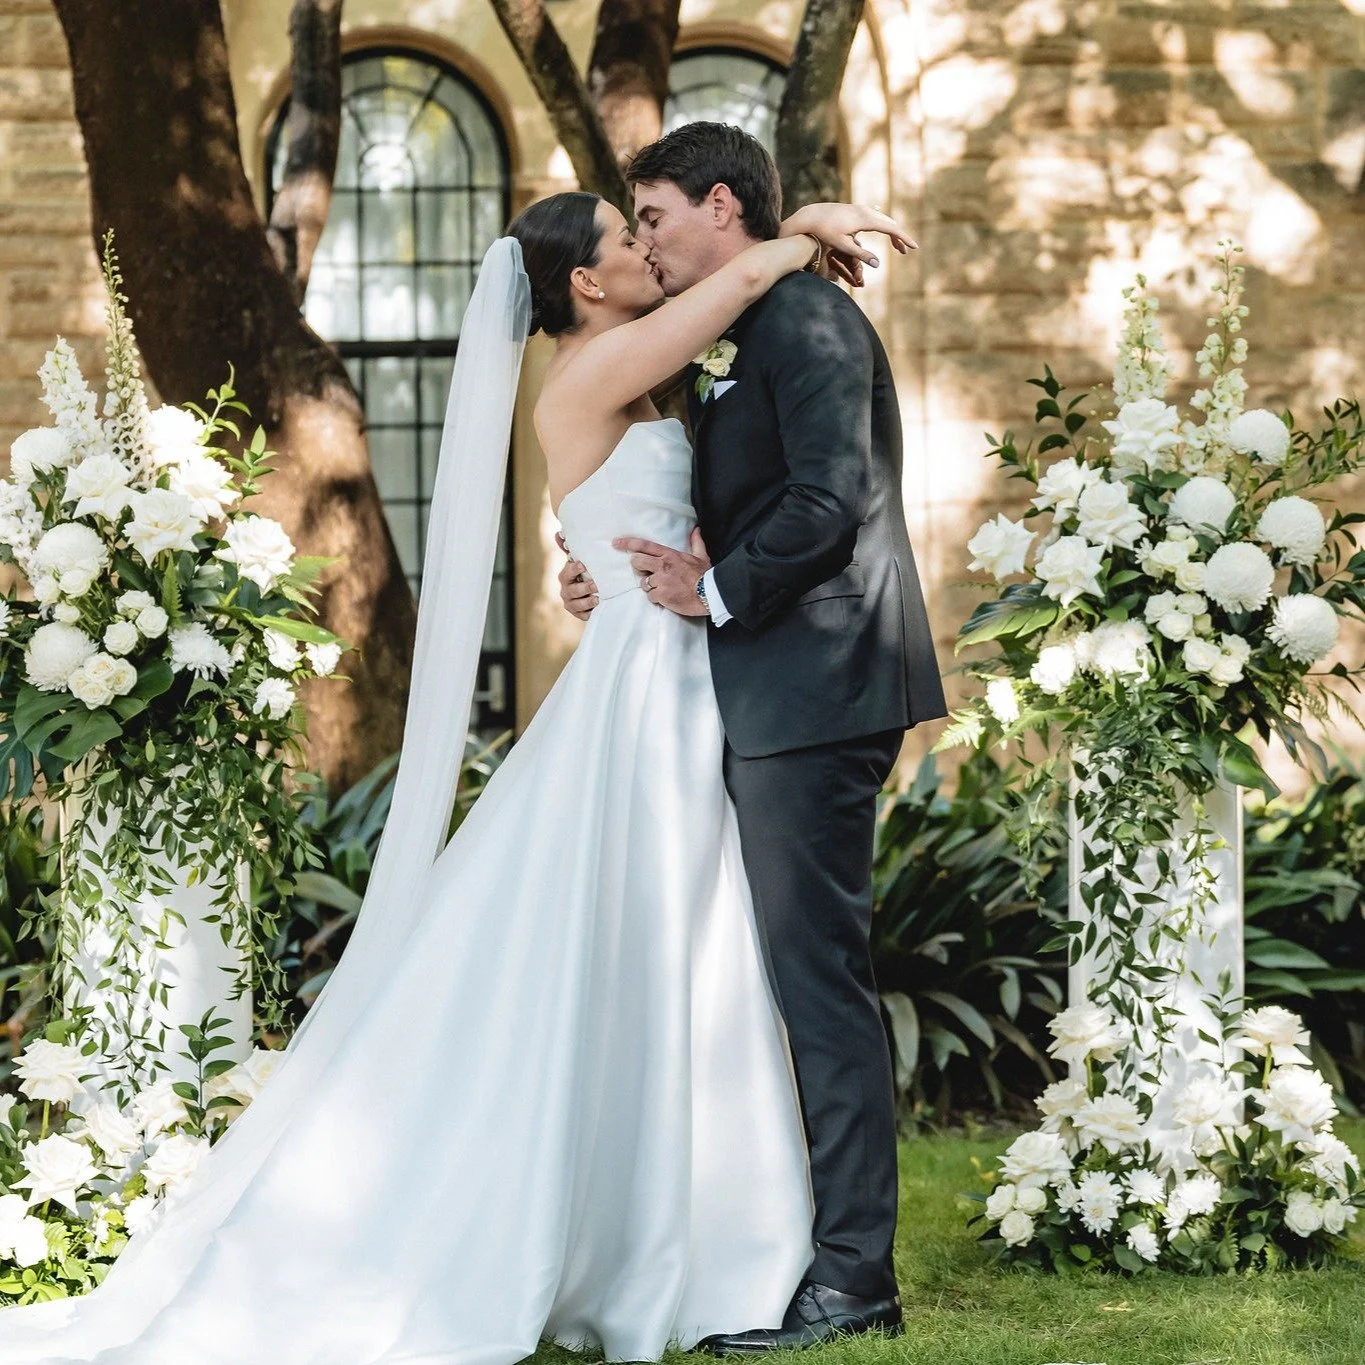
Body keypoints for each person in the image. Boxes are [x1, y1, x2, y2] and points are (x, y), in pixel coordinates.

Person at [0, 186, 912, 1364]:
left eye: (649, 225)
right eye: (624, 237)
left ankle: (693, 1226)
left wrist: (609, 569)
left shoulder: (634, 377)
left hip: (682, 668)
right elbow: (736, 283)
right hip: (650, 692)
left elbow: (628, 513)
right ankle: (679, 1241)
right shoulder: (592, 374)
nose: (644, 248)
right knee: (663, 941)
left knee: (686, 952)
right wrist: (814, 223)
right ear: (585, 284)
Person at [558, 122, 947, 1354]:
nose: (650, 241)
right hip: (764, 691)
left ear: (721, 207)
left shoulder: (813, 323)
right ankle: (783, 1249)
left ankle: (851, 1283)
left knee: (818, 986)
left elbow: (835, 500)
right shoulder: (743, 323)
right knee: (777, 981)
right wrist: (610, 573)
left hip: (819, 690)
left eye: (657, 217)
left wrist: (708, 593)